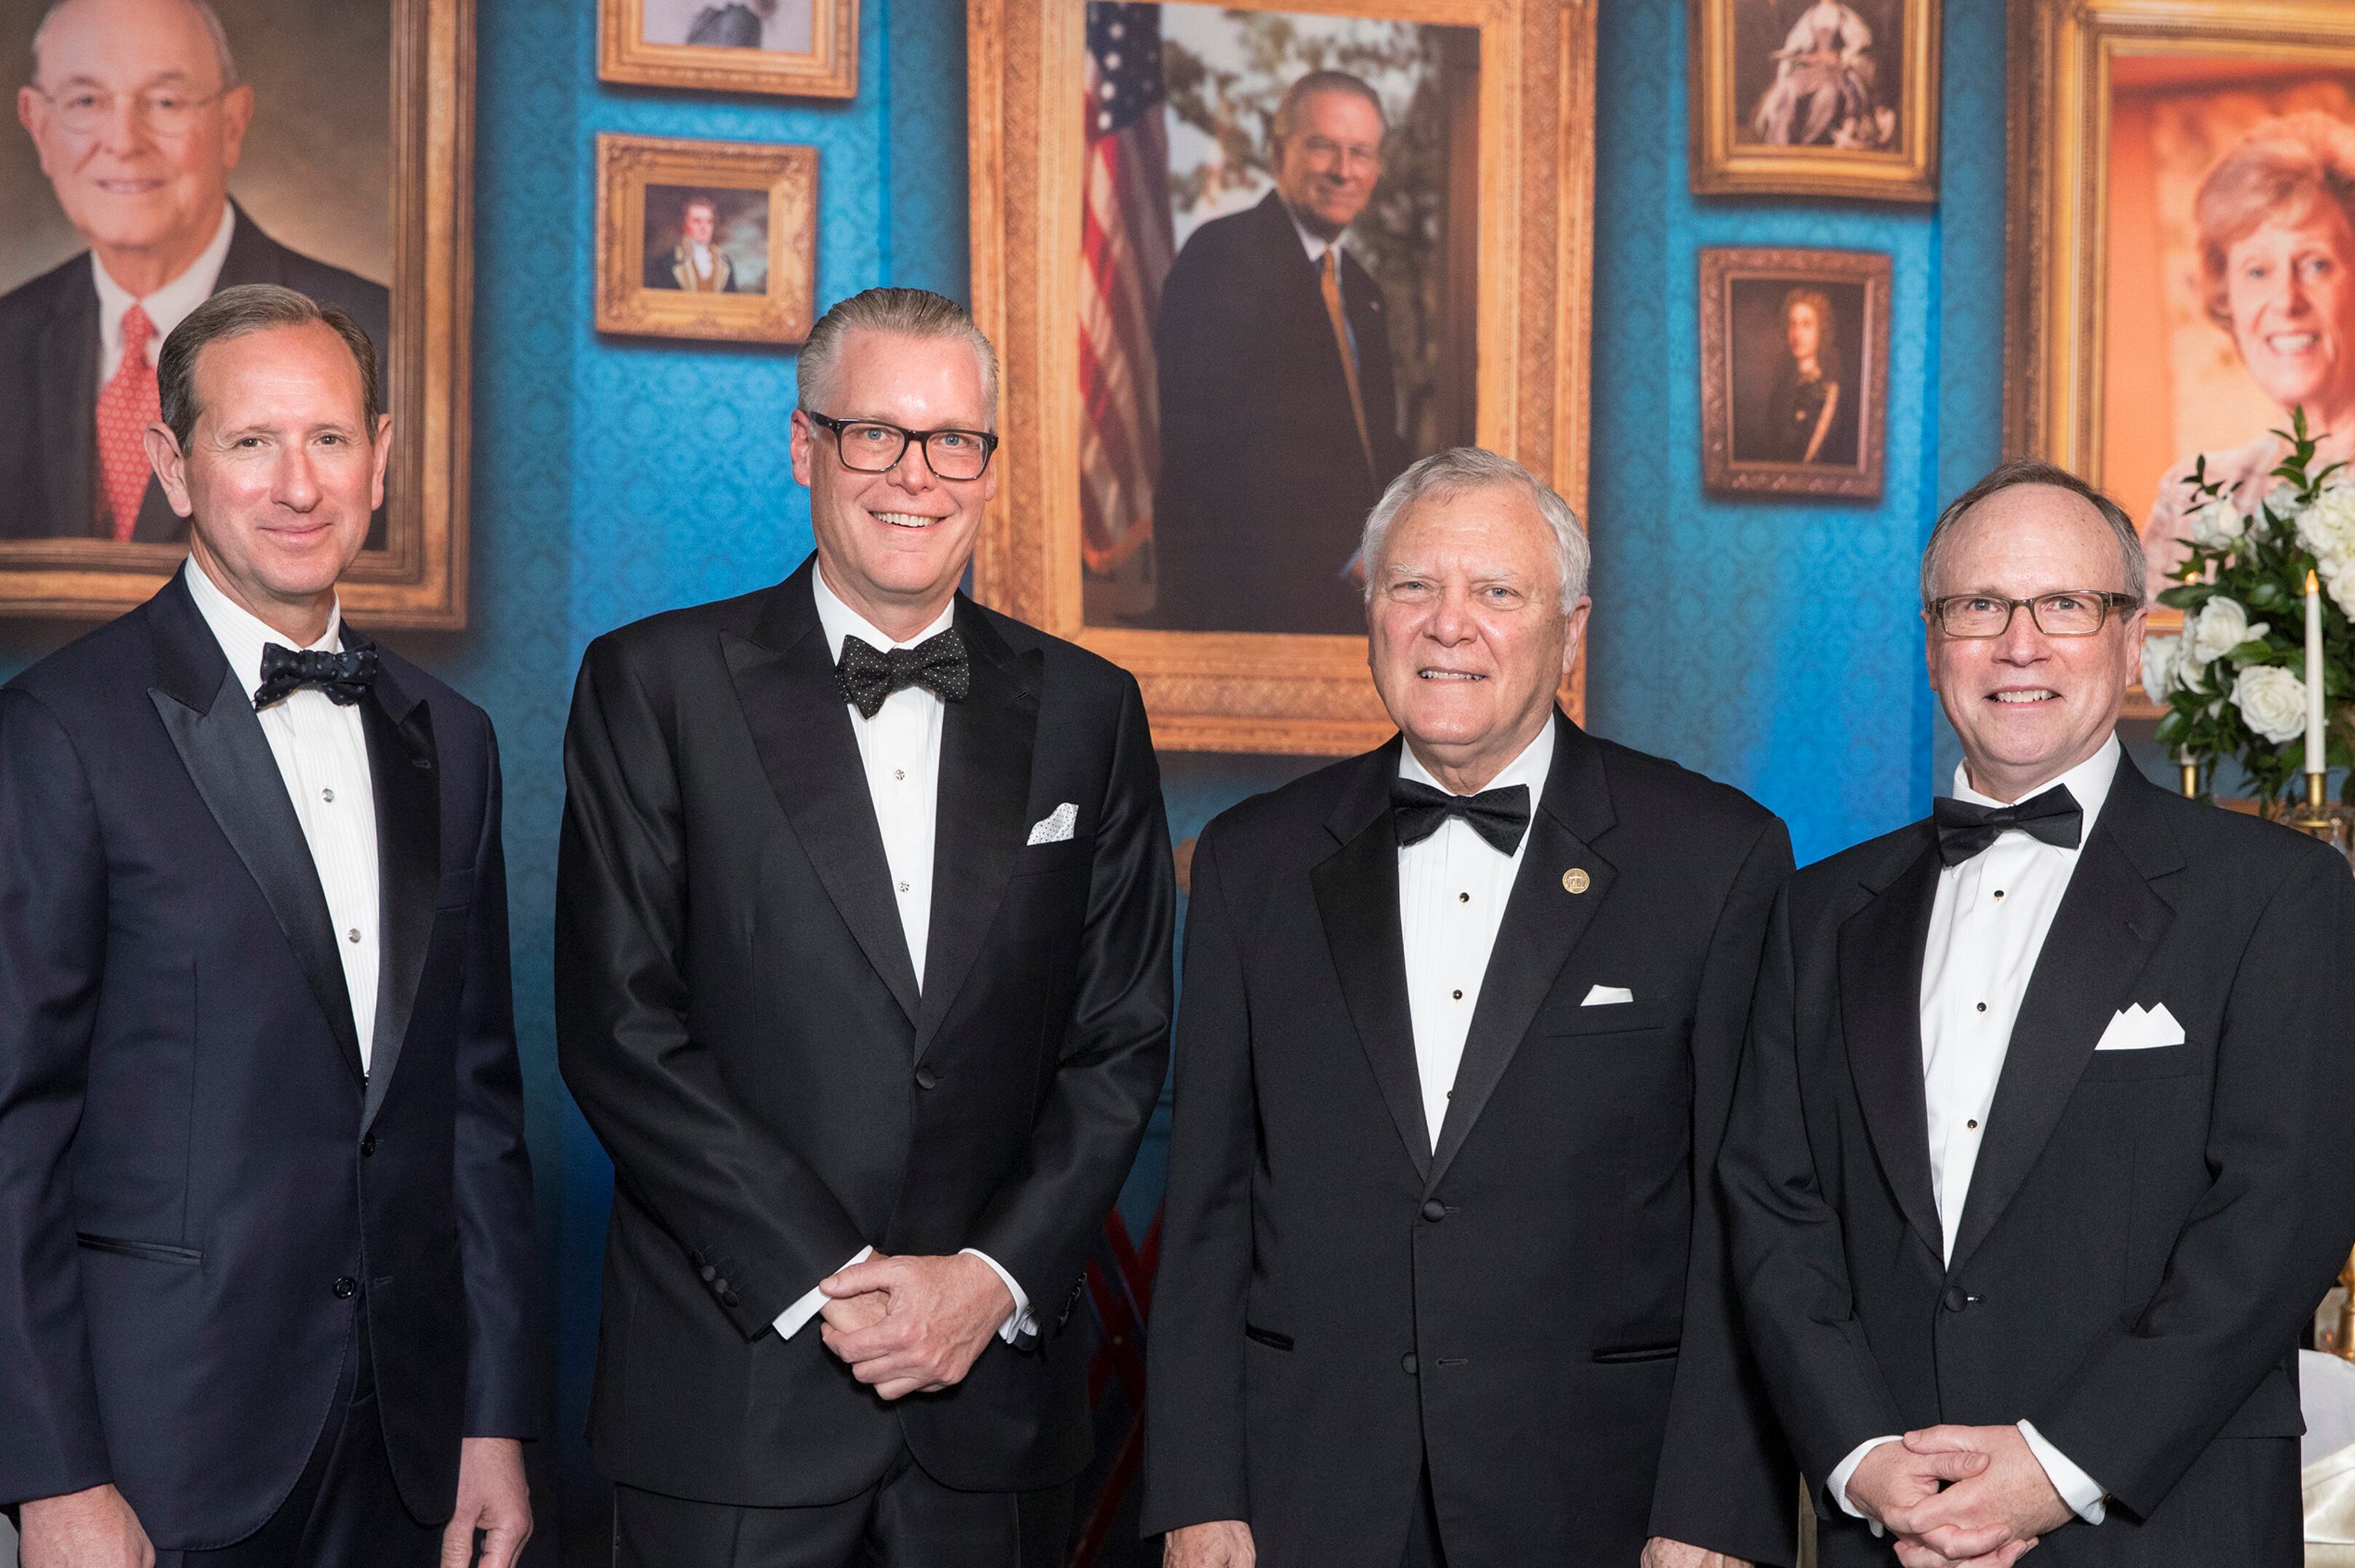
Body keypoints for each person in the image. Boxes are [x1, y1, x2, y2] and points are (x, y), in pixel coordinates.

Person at [0, 283, 541, 1567]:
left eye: (327, 440)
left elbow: (474, 1116)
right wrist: (56, 1482)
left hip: (410, 1449)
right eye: (251, 443)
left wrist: (493, 1421)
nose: (297, 484)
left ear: (380, 458)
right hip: (158, 1451)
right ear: (173, 467)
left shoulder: (455, 745)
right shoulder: (50, 737)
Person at [555, 287, 1175, 1566]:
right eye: (875, 435)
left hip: (992, 1417)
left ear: (991, 466)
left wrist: (984, 1282)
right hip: (732, 1406)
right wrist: (835, 1282)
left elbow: (1120, 1042)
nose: (918, 477)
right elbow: (620, 1026)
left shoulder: (1091, 710)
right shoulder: (653, 684)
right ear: (804, 447)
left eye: (955, 440)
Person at [1145, 447, 1797, 1568]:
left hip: (1601, 1496)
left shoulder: (1715, 859)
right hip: (1309, 1492)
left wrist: (1714, 1508)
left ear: (1572, 630)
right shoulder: (1251, 863)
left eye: (1497, 592)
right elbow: (1205, 1204)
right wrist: (1199, 1494)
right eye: (1413, 587)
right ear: (1371, 612)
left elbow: (1744, 1215)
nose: (1450, 626)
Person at [1721, 460, 2355, 1566]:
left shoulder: (2271, 893)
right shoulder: (1818, 913)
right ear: (1934, 645)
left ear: (2130, 638)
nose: (2019, 644)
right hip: (1893, 1531)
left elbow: (2279, 1219)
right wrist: (1865, 1460)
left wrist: (2057, 1466)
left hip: (2162, 1525)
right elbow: (1774, 1211)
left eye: (2065, 604)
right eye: (1979, 606)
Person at [0, 0, 391, 543]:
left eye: (166, 101)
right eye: (85, 100)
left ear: (232, 124)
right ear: (39, 126)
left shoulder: (379, 339)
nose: (123, 142)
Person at [2142, 112, 2355, 590]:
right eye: (2257, 271)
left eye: (2316, 265)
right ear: (2228, 299)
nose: (2286, 301)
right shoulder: (2191, 500)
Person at [1151, 70, 1408, 636]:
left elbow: (1373, 449)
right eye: (1323, 147)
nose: (1344, 170)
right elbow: (1212, 456)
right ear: (1277, 153)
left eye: (1360, 152)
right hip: (1247, 604)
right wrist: (1347, 562)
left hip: (1356, 606)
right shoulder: (1220, 260)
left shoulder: (1362, 291)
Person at [1750, 1, 1890, 150]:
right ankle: (1781, 144)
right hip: (1810, 70)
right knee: (1791, 88)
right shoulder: (1811, 16)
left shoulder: (1845, 16)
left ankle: (1809, 142)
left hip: (1834, 72)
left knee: (1828, 93)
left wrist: (1840, 55)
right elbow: (1794, 46)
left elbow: (1860, 43)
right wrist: (1811, 57)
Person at [1756, 287, 1849, 466]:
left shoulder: (1832, 390)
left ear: (1821, 330)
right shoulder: (1781, 390)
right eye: (1793, 324)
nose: (1797, 334)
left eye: (1806, 325)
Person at [648, 193, 738, 293]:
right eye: (697, 221)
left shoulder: (725, 262)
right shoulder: (666, 263)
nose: (704, 227)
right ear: (684, 224)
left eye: (709, 221)